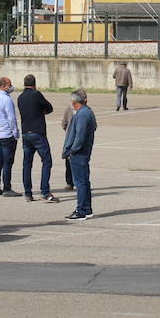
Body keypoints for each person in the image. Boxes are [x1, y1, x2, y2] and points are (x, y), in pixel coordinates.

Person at [16, 74, 59, 203]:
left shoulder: (20, 97)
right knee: (47, 161)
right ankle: (45, 191)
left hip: (25, 133)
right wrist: (42, 112)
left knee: (27, 164)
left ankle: (28, 193)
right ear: (34, 84)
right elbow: (49, 107)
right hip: (37, 132)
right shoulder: (36, 94)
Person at [60, 89, 97, 221]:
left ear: (74, 101)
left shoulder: (82, 114)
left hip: (79, 154)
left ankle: (82, 210)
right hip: (83, 152)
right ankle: (86, 209)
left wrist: (72, 150)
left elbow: (80, 136)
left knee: (80, 183)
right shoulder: (87, 112)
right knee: (84, 182)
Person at [0, 76, 20, 197]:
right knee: (7, 163)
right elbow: (11, 118)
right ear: (3, 86)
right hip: (7, 134)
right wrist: (15, 132)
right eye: (9, 85)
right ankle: (7, 188)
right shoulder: (6, 100)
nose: (10, 87)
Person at [60, 102, 75, 190]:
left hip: (76, 139)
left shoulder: (87, 110)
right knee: (68, 160)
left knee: (82, 161)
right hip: (70, 139)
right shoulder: (69, 109)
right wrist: (69, 132)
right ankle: (70, 182)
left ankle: (74, 183)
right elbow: (64, 123)